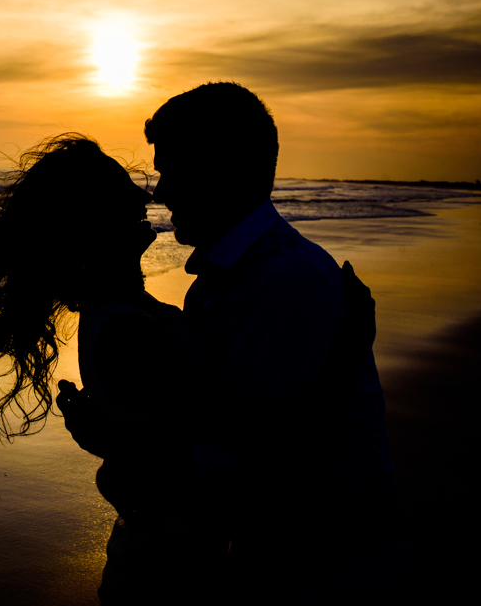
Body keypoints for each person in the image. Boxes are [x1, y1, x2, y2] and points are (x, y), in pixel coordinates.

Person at [60, 82, 405, 603]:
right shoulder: (222, 280)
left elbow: (247, 450)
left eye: (171, 170)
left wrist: (124, 454)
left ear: (221, 171)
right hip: (273, 556)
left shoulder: (285, 280)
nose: (160, 192)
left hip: (322, 568)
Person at [0, 134, 224, 603]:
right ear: (89, 221)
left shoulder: (124, 311)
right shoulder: (124, 330)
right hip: (170, 577)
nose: (141, 194)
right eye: (119, 189)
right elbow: (219, 448)